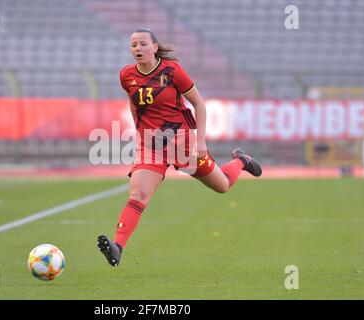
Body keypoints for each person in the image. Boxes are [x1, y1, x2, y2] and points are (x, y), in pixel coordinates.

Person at [97, 29, 262, 267]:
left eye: (143, 43)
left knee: (222, 185)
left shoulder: (172, 71)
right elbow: (134, 105)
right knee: (138, 194)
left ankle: (241, 161)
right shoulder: (126, 75)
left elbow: (199, 104)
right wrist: (140, 135)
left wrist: (201, 140)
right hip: (151, 146)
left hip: (182, 143)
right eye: (133, 45)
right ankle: (118, 247)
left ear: (154, 47)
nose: (137, 48)